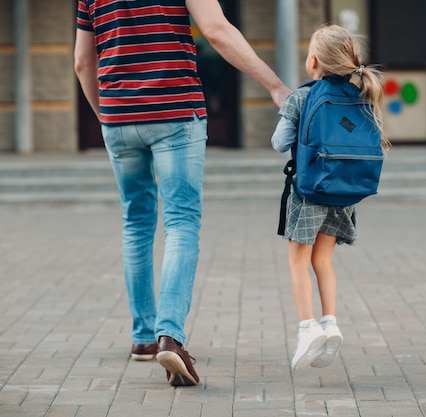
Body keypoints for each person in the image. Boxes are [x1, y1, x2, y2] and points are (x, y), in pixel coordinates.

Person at [74, 0, 290, 386]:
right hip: (175, 114)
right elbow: (216, 30)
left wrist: (107, 116)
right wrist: (275, 85)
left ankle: (143, 338)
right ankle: (169, 335)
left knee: (136, 222)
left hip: (118, 116)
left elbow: (82, 62)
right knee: (181, 223)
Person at [270, 25, 390, 371]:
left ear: (313, 62)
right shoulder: (362, 95)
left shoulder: (303, 96)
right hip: (344, 193)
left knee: (297, 261)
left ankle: (307, 329)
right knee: (323, 261)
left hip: (309, 192)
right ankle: (330, 322)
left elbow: (279, 143)